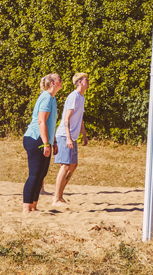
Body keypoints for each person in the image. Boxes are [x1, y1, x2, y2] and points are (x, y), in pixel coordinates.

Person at [22, 72, 61, 213]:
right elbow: (41, 121)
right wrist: (46, 143)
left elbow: (50, 124)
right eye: (59, 79)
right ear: (52, 83)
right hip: (35, 138)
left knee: (41, 174)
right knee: (34, 173)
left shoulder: (53, 98)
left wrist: (53, 141)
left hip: (45, 139)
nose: (61, 81)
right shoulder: (45, 97)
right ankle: (26, 207)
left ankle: (33, 206)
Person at [52, 72, 89, 206]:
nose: (88, 81)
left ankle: (60, 196)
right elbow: (66, 118)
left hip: (72, 137)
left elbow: (80, 118)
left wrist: (84, 135)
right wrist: (68, 137)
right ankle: (55, 198)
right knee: (65, 165)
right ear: (80, 82)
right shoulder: (73, 97)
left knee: (73, 165)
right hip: (64, 135)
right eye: (86, 79)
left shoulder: (81, 97)